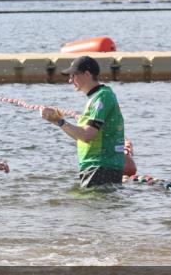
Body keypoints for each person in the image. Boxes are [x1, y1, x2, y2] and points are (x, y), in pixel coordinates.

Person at [40, 55, 130, 188]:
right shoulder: (95, 97)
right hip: (95, 167)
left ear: (87, 74)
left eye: (73, 75)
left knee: (91, 207)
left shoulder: (102, 97)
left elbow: (86, 135)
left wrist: (60, 121)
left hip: (101, 167)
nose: (70, 80)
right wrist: (56, 121)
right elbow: (80, 137)